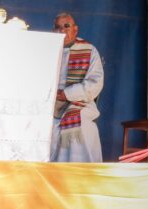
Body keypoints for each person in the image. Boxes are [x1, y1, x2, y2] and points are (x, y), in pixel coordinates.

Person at [50, 12, 104, 163]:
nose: (61, 31)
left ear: (75, 30)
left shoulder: (89, 50)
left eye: (66, 26)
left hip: (78, 101)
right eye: (57, 27)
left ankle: (80, 177)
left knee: (81, 126)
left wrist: (66, 94)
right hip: (50, 102)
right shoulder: (47, 49)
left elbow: (95, 83)